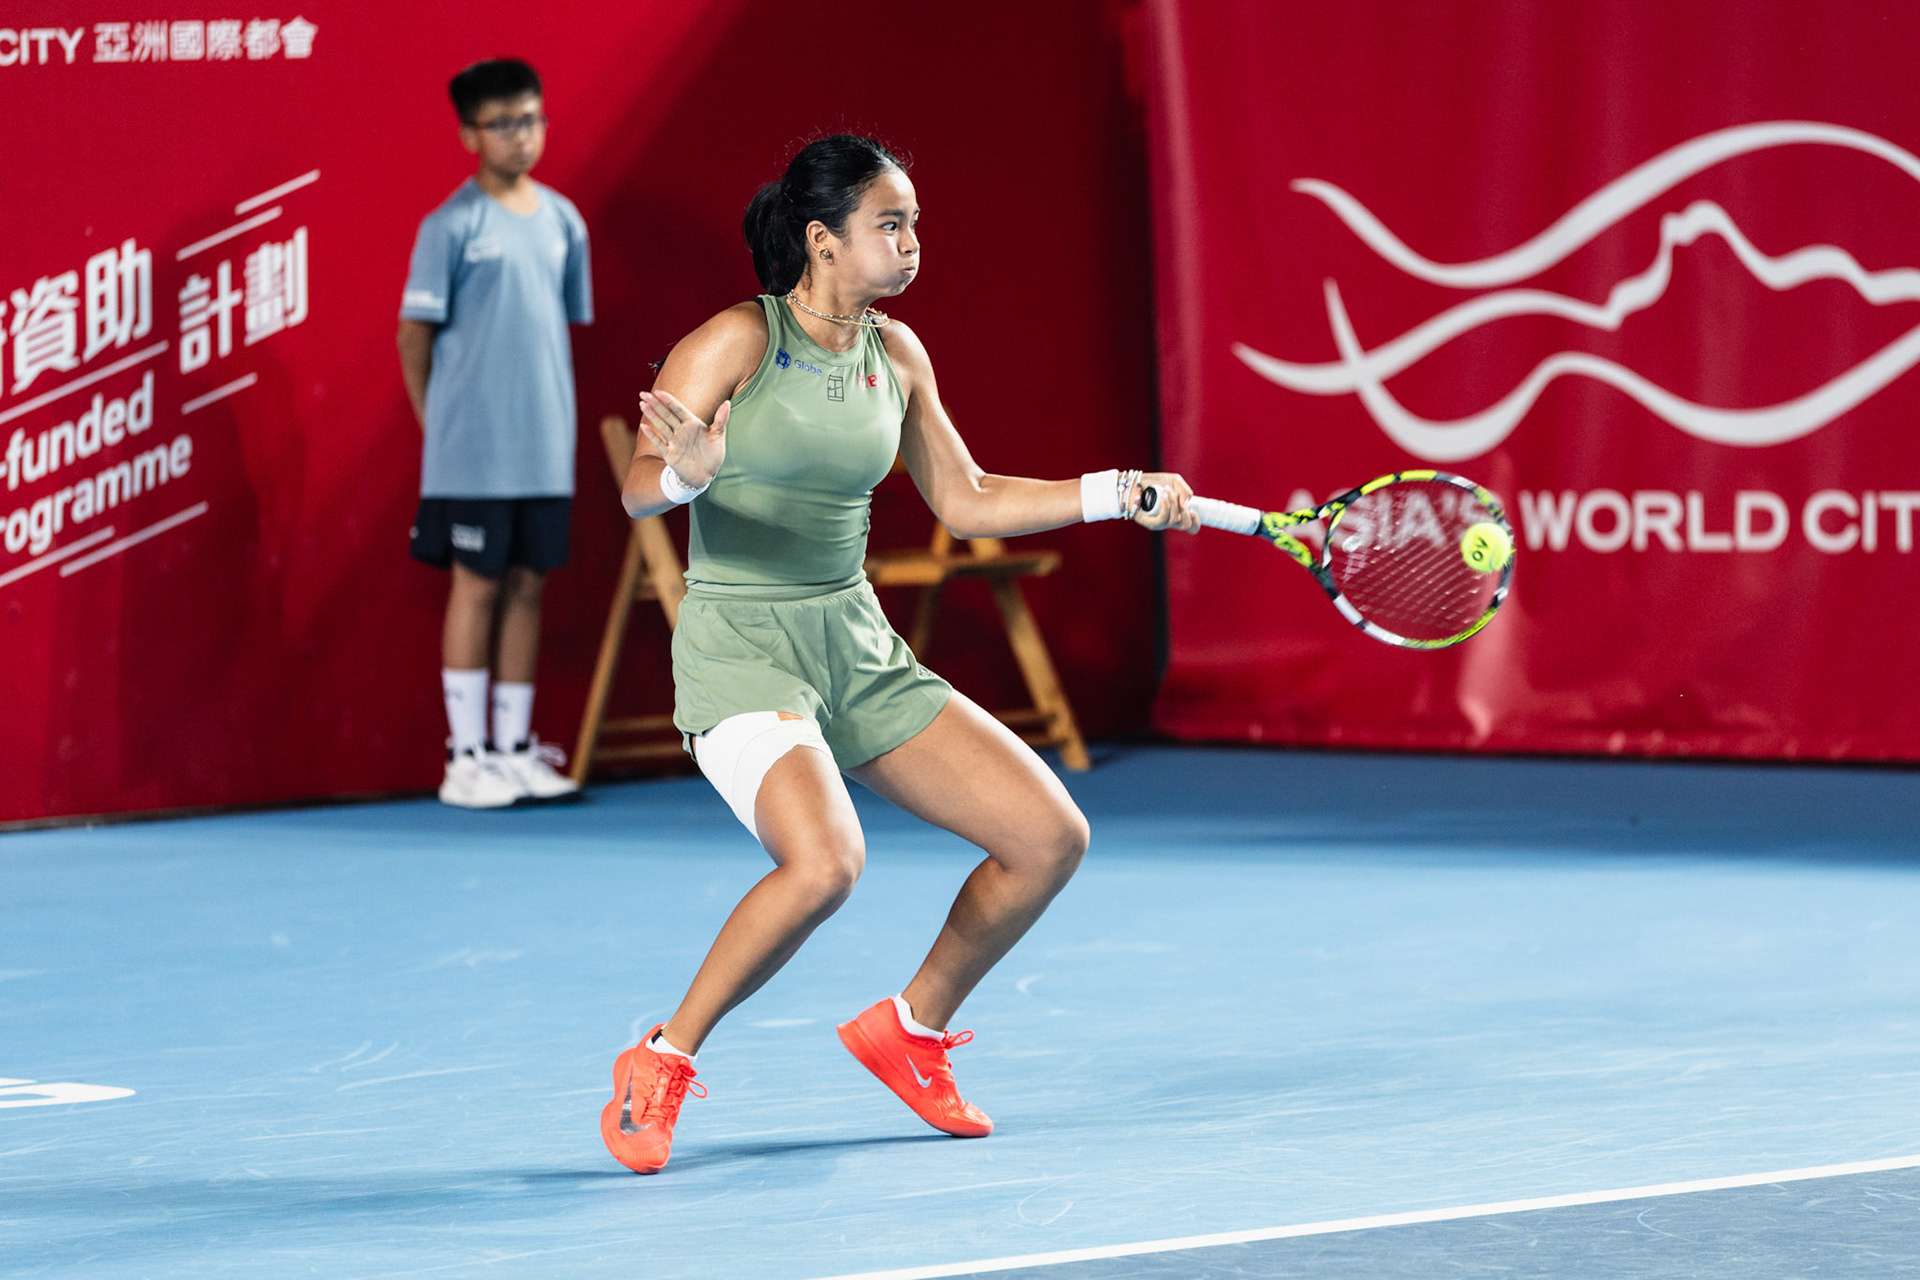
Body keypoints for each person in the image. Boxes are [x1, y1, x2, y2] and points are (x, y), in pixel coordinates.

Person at [602, 134, 1198, 1174]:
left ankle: (911, 1029)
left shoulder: (898, 353)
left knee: (1047, 836)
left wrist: (1114, 492)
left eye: (915, 222)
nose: (913, 242)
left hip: (856, 641)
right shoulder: (736, 340)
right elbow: (638, 489)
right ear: (822, 239)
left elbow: (968, 498)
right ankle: (661, 1056)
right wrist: (690, 472)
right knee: (826, 862)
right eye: (891, 223)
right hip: (742, 645)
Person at [397, 58, 592, 808]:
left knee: (527, 587)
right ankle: (465, 757)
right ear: (469, 135)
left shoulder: (564, 222)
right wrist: (438, 426)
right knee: (476, 586)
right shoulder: (448, 226)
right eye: (503, 123)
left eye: (532, 119)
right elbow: (413, 337)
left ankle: (511, 751)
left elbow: (552, 326)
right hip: (470, 454)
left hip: (544, 447)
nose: (522, 136)